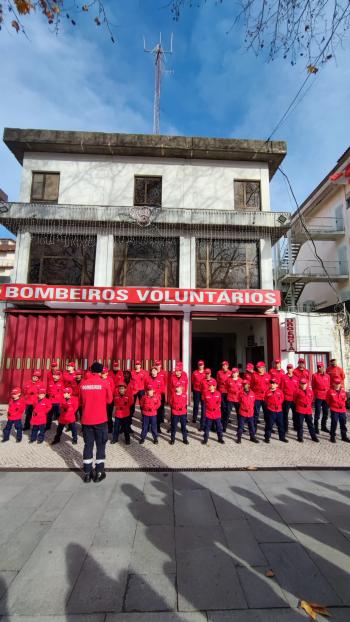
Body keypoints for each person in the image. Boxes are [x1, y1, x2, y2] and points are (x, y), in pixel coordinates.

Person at [79, 361, 113, 483]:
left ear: (91, 370)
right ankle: (99, 472)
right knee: (101, 445)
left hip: (87, 420)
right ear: (100, 371)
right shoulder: (104, 383)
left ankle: (87, 473)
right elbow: (109, 400)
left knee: (88, 445)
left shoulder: (83, 384)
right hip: (100, 420)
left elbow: (81, 401)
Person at [294, 377, 319, 443]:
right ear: (300, 384)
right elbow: (295, 400)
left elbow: (311, 398)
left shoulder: (310, 391)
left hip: (308, 410)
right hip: (300, 410)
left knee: (310, 424)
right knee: (300, 424)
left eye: (304, 383)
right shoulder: (297, 391)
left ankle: (313, 437)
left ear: (307, 384)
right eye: (302, 383)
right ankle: (300, 437)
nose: (303, 385)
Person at [326, 376, 350, 443]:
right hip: (334, 409)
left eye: (338, 383)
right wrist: (332, 405)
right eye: (336, 383)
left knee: (343, 423)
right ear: (333, 383)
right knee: (334, 422)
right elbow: (327, 400)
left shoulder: (343, 391)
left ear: (340, 384)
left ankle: (344, 436)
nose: (337, 385)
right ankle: (332, 436)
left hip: (342, 410)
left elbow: (345, 399)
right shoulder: (330, 391)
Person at [264, 378, 288, 444]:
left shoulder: (280, 391)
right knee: (269, 425)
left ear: (277, 385)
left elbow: (282, 399)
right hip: (271, 411)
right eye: (271, 383)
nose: (272, 384)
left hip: (279, 411)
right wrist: (270, 405)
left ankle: (282, 437)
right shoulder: (267, 392)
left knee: (281, 425)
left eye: (274, 383)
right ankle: (267, 437)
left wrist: (278, 404)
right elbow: (265, 400)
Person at [202, 379, 224, 445]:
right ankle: (205, 439)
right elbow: (205, 402)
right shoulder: (205, 394)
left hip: (217, 413)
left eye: (211, 385)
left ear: (214, 386)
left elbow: (219, 403)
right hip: (209, 413)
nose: (209, 387)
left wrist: (215, 407)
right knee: (207, 427)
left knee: (219, 427)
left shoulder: (218, 393)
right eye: (209, 385)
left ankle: (220, 439)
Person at [236, 378, 259, 444]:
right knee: (241, 426)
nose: (244, 385)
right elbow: (239, 401)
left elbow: (253, 402)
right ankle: (239, 438)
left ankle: (252, 437)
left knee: (251, 426)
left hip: (250, 413)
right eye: (243, 384)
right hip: (242, 412)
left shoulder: (252, 393)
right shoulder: (240, 393)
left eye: (246, 384)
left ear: (249, 385)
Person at [312, 361, 331, 434]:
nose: (319, 368)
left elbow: (329, 386)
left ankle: (323, 426)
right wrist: (314, 396)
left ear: (323, 367)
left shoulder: (327, 376)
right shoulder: (314, 375)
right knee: (317, 412)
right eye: (318, 367)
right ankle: (316, 427)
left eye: (320, 366)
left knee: (326, 412)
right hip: (318, 396)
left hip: (326, 396)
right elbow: (313, 386)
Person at [251, 362, 270, 431]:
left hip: (265, 397)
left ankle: (268, 428)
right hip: (257, 397)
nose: (259, 369)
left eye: (260, 367)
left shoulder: (268, 376)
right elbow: (251, 386)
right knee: (256, 413)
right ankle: (254, 428)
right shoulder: (254, 375)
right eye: (258, 367)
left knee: (267, 413)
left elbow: (269, 386)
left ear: (264, 368)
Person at [280, 364, 298, 432]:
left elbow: (298, 389)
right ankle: (285, 428)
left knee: (295, 414)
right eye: (288, 368)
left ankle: (295, 426)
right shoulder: (283, 377)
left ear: (293, 369)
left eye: (290, 368)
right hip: (286, 399)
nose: (289, 369)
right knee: (285, 414)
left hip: (294, 399)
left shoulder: (296, 378)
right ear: (287, 369)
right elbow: (281, 389)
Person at [148, 366, 166, 432]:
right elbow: (145, 387)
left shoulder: (160, 379)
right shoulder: (148, 378)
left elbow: (162, 388)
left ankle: (158, 427)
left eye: (155, 370)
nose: (154, 371)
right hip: (149, 399)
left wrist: (156, 395)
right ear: (151, 371)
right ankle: (148, 426)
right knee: (149, 412)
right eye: (152, 370)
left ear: (157, 371)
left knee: (158, 413)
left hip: (157, 398)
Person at [101, 366, 115, 434]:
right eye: (102, 373)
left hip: (109, 400)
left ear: (107, 373)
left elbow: (112, 389)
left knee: (109, 415)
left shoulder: (110, 379)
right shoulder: (99, 379)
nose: (103, 374)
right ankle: (102, 427)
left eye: (104, 373)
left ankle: (110, 427)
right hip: (101, 401)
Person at [154, 359, 167, 424]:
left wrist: (162, 389)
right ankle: (154, 417)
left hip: (161, 392)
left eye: (158, 365)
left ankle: (161, 418)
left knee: (162, 406)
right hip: (154, 393)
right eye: (156, 365)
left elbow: (165, 382)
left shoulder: (163, 373)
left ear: (161, 365)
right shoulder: (153, 372)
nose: (157, 366)